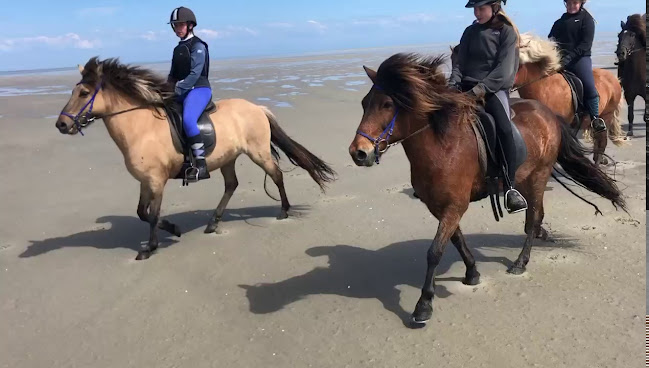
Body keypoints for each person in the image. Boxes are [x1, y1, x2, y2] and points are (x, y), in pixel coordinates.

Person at [449, 0, 528, 214]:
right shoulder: (469, 32)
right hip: (465, 87)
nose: (477, 12)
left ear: (494, 7)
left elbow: (503, 71)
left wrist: (478, 91)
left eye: (481, 8)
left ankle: (511, 187)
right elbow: (459, 63)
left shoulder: (506, 32)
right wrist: (453, 83)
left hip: (492, 90)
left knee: (503, 128)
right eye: (475, 8)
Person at [167, 6, 212, 181]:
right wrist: (163, 90)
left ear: (190, 25)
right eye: (175, 25)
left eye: (180, 24)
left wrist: (178, 89)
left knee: (188, 120)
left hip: (199, 89)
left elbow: (194, 74)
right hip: (182, 90)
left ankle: (201, 165)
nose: (177, 28)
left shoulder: (198, 46)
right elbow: (172, 75)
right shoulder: (178, 48)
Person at [548, 0, 607, 133]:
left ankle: (595, 118)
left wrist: (569, 57)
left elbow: (585, 44)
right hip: (560, 59)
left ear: (580, 4)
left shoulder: (586, 20)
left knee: (589, 86)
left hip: (580, 59)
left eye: (575, 3)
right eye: (569, 3)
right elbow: (551, 39)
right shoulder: (560, 22)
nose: (571, 6)